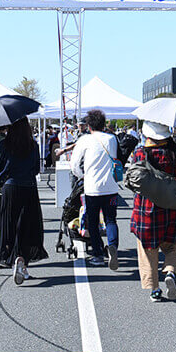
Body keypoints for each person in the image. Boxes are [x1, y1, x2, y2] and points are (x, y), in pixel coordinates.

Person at [130, 121, 176, 302]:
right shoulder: (175, 152)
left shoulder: (141, 153)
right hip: (171, 206)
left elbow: (133, 180)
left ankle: (154, 290)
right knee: (171, 246)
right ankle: (170, 272)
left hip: (146, 209)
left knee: (148, 249)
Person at [0, 117, 47, 280]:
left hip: (10, 188)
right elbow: (35, 170)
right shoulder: (33, 145)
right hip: (30, 189)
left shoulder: (4, 145)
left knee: (7, 225)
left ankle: (10, 256)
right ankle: (22, 260)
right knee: (27, 226)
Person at [70, 109, 120, 269]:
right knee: (111, 220)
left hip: (92, 187)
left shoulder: (85, 140)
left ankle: (98, 254)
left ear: (89, 126)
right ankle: (112, 246)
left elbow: (74, 164)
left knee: (92, 221)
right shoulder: (112, 139)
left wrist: (81, 175)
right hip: (111, 186)